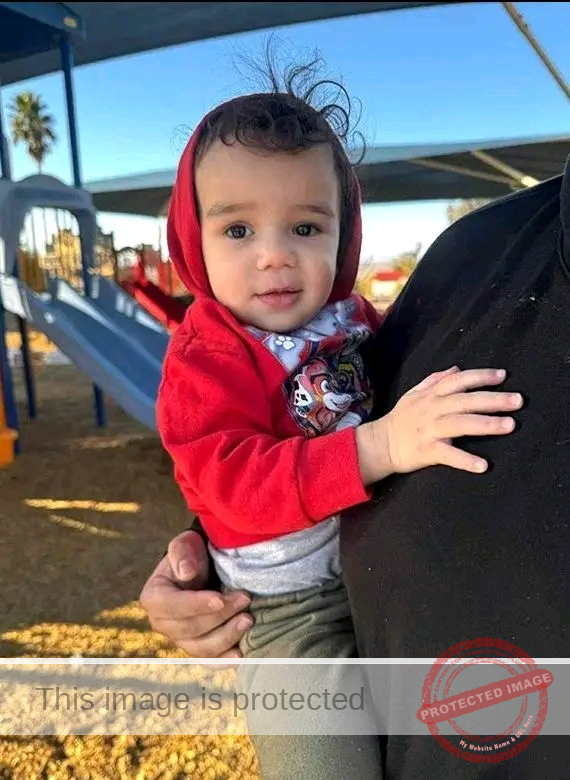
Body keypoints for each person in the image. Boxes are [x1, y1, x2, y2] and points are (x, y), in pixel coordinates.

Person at [142, 145, 570, 779]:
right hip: (287, 610)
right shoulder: (206, 354)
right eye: (238, 230)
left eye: (307, 227)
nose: (276, 254)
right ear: (191, 241)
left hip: (371, 595)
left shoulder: (350, 321)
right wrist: (380, 447)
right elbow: (225, 478)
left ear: (344, 238)